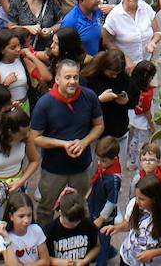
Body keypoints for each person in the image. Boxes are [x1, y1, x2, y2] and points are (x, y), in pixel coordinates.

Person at [29, 58, 105, 222]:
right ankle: (45, 243)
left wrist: (84, 142)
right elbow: (35, 137)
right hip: (53, 169)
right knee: (45, 209)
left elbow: (99, 125)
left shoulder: (89, 96)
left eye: (75, 77)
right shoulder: (45, 103)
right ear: (57, 79)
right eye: (67, 77)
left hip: (81, 167)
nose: (72, 81)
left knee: (81, 206)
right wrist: (63, 144)